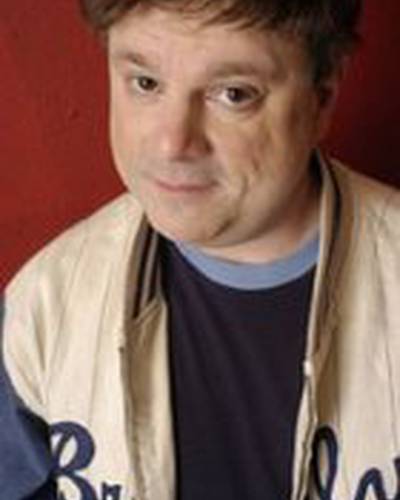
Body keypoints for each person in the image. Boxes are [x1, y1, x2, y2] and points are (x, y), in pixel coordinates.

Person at [2, 0, 400, 498]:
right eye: (146, 83)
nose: (172, 143)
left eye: (234, 94)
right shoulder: (41, 307)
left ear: (322, 97)